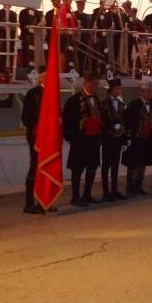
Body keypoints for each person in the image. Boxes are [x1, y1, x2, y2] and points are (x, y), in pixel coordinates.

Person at [63, 71, 103, 206]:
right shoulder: (74, 100)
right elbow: (67, 120)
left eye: (97, 84)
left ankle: (87, 194)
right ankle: (75, 197)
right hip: (80, 140)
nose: (96, 87)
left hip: (93, 140)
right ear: (86, 83)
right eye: (93, 84)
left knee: (92, 168)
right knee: (77, 169)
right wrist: (71, 136)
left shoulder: (97, 99)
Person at [20, 71, 53, 214]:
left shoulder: (52, 94)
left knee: (47, 167)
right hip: (37, 136)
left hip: (49, 135)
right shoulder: (33, 94)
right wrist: (36, 126)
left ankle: (44, 201)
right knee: (35, 167)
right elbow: (26, 116)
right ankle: (29, 203)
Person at [122, 81, 152, 197]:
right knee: (132, 163)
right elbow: (127, 121)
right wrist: (128, 137)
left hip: (147, 139)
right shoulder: (134, 104)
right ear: (142, 92)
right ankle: (130, 188)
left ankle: (139, 186)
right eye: (148, 92)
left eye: (151, 92)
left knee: (142, 163)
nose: (150, 94)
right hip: (135, 139)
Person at [99, 78, 127, 202]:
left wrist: (124, 136)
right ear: (111, 89)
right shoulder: (104, 103)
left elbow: (124, 120)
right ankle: (106, 192)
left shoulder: (121, 104)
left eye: (119, 88)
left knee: (115, 165)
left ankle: (114, 190)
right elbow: (102, 120)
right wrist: (111, 127)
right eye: (117, 88)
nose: (119, 90)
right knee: (106, 165)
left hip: (118, 138)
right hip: (108, 138)